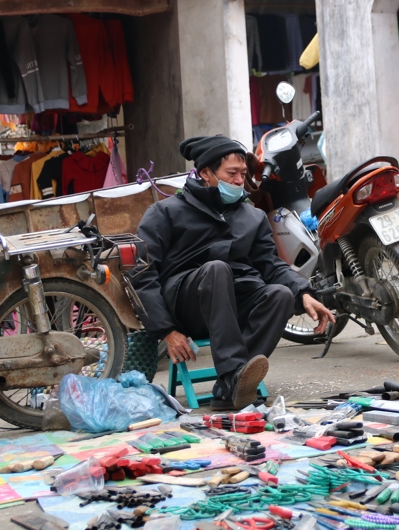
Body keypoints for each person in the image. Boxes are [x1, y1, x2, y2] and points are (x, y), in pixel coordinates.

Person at [131, 135, 335, 410]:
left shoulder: (252, 216)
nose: (240, 181)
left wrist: (304, 293)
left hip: (236, 302)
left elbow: (271, 265)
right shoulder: (165, 212)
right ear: (205, 173)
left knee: (280, 294)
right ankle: (233, 374)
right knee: (216, 270)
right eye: (232, 174)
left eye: (243, 174)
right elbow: (142, 273)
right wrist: (166, 330)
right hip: (187, 305)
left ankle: (231, 387)